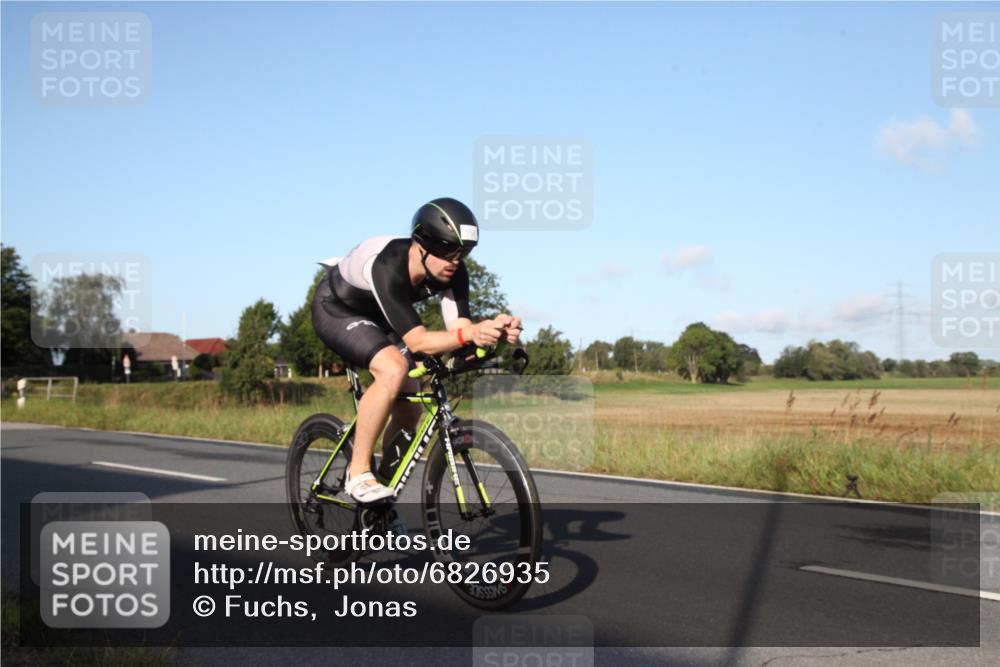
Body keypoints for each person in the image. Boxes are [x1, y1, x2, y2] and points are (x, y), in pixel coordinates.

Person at [312, 197, 522, 503]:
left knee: (410, 407)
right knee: (392, 369)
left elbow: (460, 330)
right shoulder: (387, 263)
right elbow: (418, 341)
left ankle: (381, 506)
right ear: (422, 245)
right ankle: (357, 472)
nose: (455, 260)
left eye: (463, 252)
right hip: (338, 309)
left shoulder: (454, 272)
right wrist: (470, 333)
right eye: (447, 250)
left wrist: (492, 333)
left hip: (384, 318)